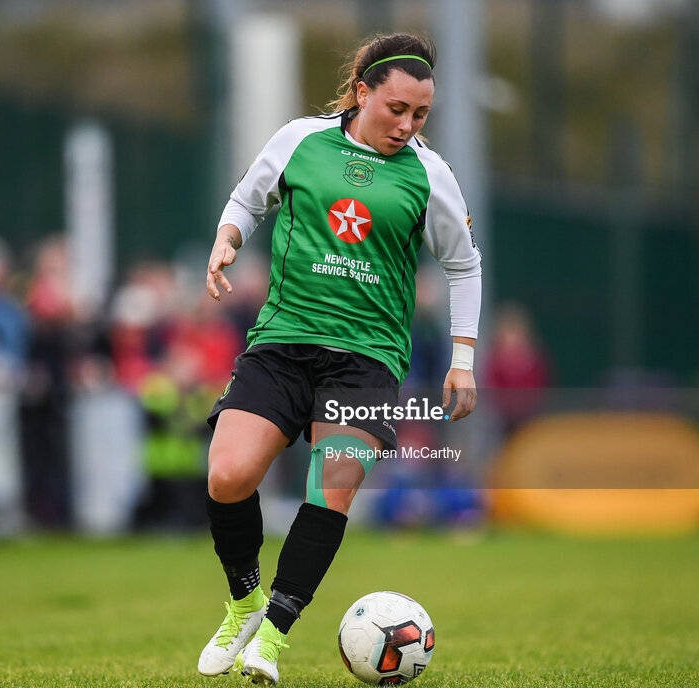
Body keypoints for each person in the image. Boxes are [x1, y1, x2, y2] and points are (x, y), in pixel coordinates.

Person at [197, 33, 482, 685]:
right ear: (362, 93)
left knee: (331, 487)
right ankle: (243, 600)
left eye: (421, 115)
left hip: (367, 359)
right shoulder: (301, 139)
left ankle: (270, 636)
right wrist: (227, 238)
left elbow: (464, 265)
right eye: (397, 109)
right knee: (228, 476)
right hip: (283, 342)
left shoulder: (428, 173)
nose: (408, 126)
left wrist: (461, 357)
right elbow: (249, 196)